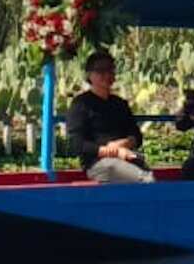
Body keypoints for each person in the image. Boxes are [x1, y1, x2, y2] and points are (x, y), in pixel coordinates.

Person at [65, 50, 152, 183]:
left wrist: (125, 143)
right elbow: (76, 144)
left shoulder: (120, 104)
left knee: (146, 172)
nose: (107, 75)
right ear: (89, 75)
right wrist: (112, 151)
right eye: (101, 71)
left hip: (126, 156)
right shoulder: (81, 104)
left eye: (110, 70)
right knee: (145, 179)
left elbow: (137, 135)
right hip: (99, 164)